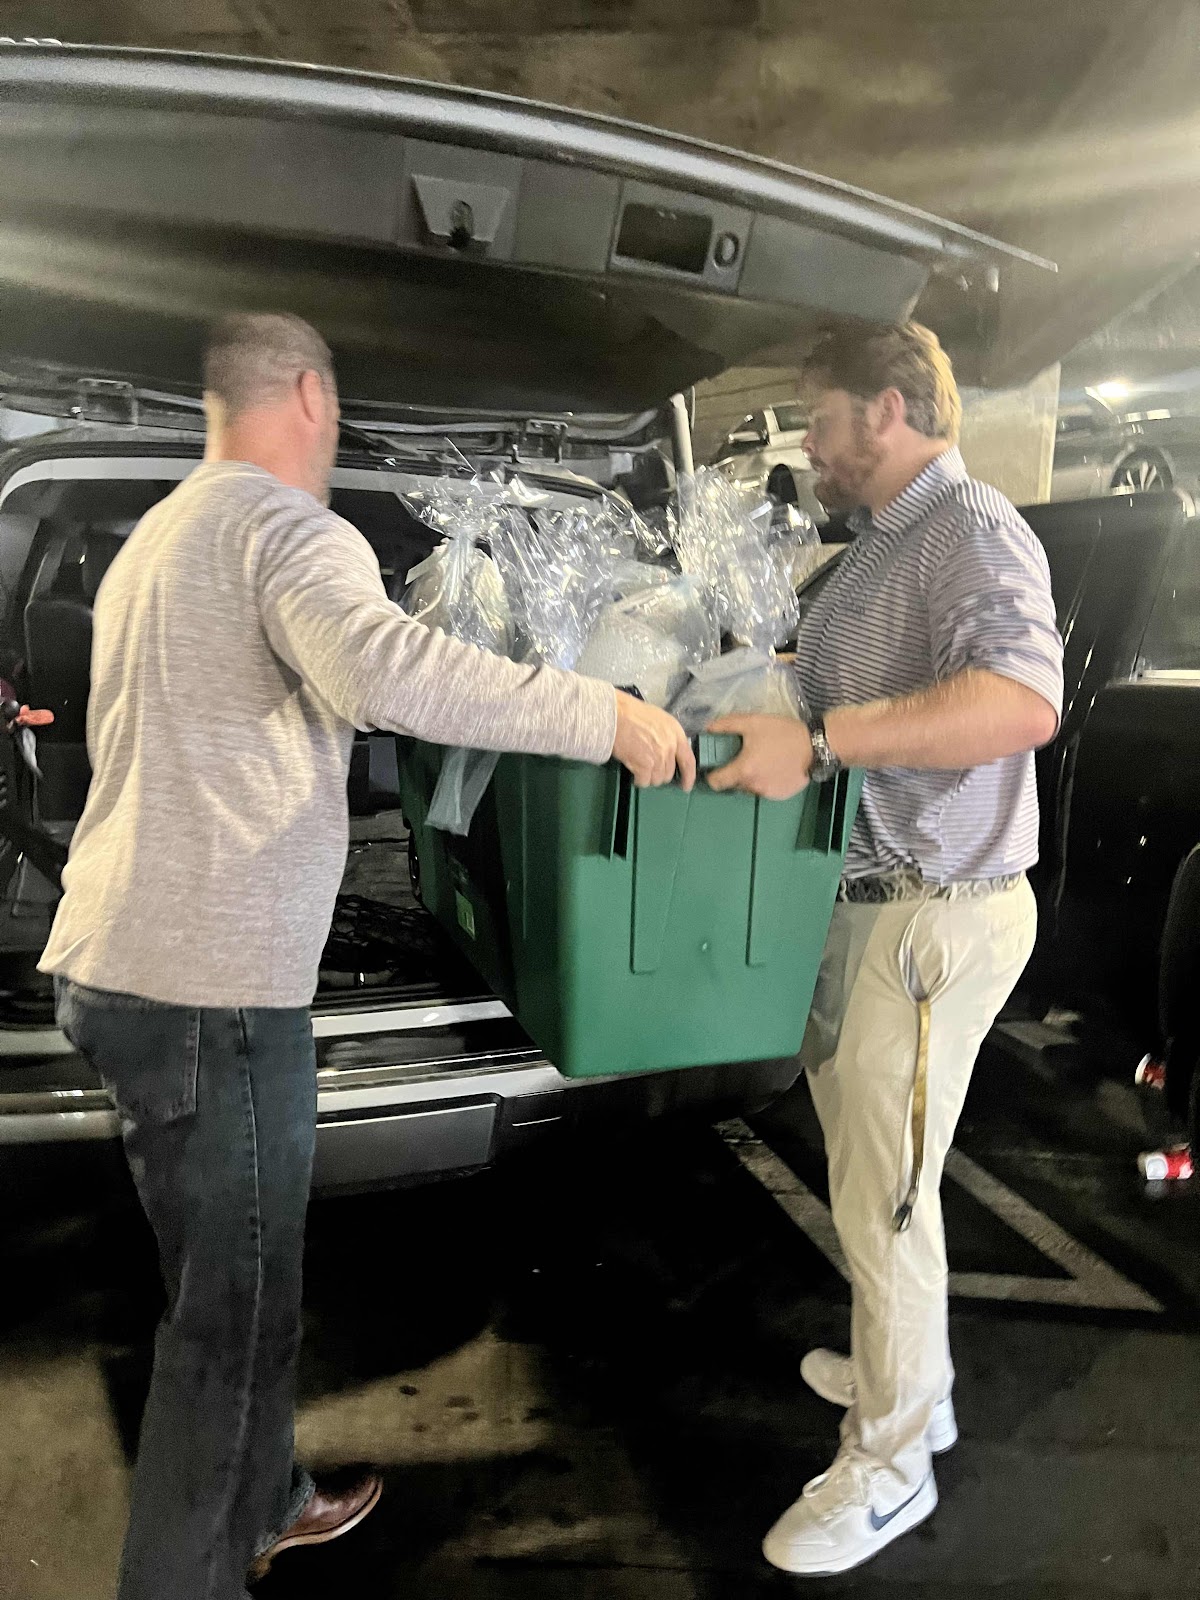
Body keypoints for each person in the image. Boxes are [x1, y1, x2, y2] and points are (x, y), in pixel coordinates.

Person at [40, 311, 695, 1600]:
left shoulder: (155, 543)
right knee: (223, 1325)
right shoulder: (289, 529)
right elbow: (385, 669)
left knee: (244, 1276)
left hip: (126, 965)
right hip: (209, 991)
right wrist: (603, 713)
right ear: (305, 394)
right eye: (333, 407)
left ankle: (265, 1501)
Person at [708, 322, 1064, 1576]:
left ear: (893, 409)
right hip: (878, 908)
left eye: (822, 418)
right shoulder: (879, 549)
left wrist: (820, 740)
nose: (808, 443)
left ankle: (895, 1462)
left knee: (890, 1197)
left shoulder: (970, 526)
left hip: (933, 913)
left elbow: (1020, 698)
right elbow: (838, 682)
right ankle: (908, 1372)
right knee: (875, 1180)